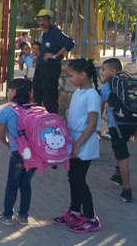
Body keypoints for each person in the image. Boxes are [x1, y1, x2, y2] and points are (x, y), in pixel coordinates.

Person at [53, 58, 102, 233]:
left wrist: (78, 145)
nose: (69, 79)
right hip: (75, 142)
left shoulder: (92, 95)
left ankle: (90, 217)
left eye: (71, 75)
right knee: (72, 178)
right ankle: (74, 211)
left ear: (83, 75)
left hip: (84, 144)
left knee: (79, 180)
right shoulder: (79, 93)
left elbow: (92, 124)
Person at [0, 78, 36, 227]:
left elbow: (1, 135)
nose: (8, 92)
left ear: (14, 93)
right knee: (26, 184)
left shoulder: (7, 111)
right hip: (34, 154)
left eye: (9, 90)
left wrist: (8, 145)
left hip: (18, 153)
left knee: (12, 184)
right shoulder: (35, 108)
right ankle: (23, 215)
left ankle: (7, 215)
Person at [100, 58, 137, 203]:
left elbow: (100, 107)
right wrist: (136, 128)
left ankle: (127, 189)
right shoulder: (129, 84)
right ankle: (118, 174)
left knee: (122, 155)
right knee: (118, 148)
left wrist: (96, 126)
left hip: (116, 126)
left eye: (104, 69)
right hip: (130, 125)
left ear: (113, 71)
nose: (101, 72)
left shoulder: (106, 87)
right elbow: (134, 106)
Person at [33, 9, 75, 114]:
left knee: (49, 97)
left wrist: (55, 55)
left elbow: (70, 43)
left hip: (50, 68)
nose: (42, 22)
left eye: (45, 19)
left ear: (50, 21)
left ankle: (52, 119)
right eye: (40, 20)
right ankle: (37, 118)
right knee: (37, 93)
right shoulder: (43, 34)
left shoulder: (55, 33)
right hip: (41, 67)